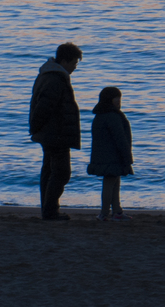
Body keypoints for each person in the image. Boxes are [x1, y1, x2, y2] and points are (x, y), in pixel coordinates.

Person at [28, 42, 83, 220]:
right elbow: (44, 107)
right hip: (55, 134)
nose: (75, 67)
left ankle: (48, 210)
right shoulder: (56, 78)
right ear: (65, 61)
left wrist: (36, 129)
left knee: (50, 171)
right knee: (61, 172)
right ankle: (51, 211)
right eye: (74, 63)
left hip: (50, 133)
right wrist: (37, 127)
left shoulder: (48, 74)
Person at [86, 86, 133, 221]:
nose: (119, 101)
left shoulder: (99, 115)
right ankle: (105, 213)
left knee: (114, 182)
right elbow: (120, 138)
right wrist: (126, 156)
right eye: (117, 99)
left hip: (103, 155)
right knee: (110, 182)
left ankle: (116, 211)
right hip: (113, 155)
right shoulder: (113, 116)